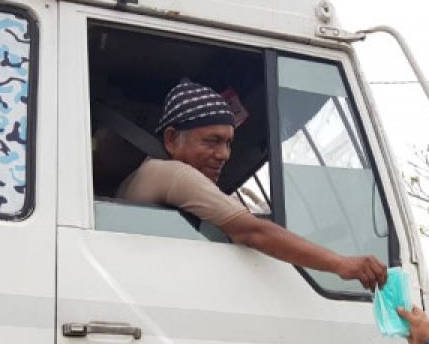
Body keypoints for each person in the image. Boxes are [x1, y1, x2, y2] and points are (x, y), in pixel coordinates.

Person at [115, 78, 388, 291]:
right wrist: (342, 264)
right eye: (212, 141)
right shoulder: (171, 174)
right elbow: (253, 233)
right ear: (172, 139)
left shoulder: (145, 174)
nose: (224, 154)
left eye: (228, 143)